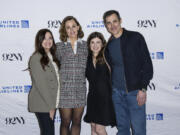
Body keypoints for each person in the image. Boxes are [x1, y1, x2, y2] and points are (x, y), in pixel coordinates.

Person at [103, 10, 153, 135]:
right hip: (117, 94)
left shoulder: (135, 37)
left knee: (139, 130)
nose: (112, 25)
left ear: (120, 21)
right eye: (108, 23)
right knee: (122, 129)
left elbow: (147, 65)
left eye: (115, 21)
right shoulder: (108, 46)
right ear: (106, 26)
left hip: (135, 92)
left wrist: (143, 88)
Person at [56, 16, 88, 135]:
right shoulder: (59, 47)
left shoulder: (86, 45)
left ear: (78, 27)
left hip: (80, 90)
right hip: (64, 91)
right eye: (68, 28)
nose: (71, 30)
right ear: (65, 30)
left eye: (73, 26)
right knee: (65, 122)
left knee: (77, 122)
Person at [28, 29, 60, 135]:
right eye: (44, 38)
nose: (48, 41)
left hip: (52, 102)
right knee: (48, 132)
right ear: (39, 41)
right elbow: (42, 85)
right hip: (43, 103)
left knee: (49, 132)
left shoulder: (52, 56)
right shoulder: (35, 58)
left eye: (50, 38)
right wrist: (51, 106)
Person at [83, 32, 116, 135]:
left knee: (99, 129)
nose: (95, 45)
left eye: (98, 42)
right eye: (92, 42)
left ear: (102, 44)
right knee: (93, 128)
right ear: (89, 44)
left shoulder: (107, 57)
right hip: (92, 97)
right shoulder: (86, 59)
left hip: (105, 97)